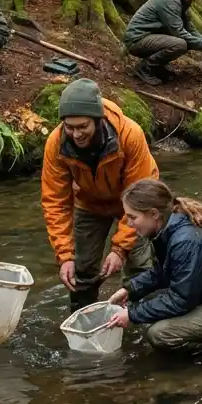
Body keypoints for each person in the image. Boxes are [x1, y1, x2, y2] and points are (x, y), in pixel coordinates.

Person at [104, 179, 202, 354]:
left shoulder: (185, 240)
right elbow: (162, 272)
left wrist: (132, 314)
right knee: (151, 306)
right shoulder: (167, 229)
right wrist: (130, 289)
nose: (129, 224)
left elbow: (180, 299)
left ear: (154, 214)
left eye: (133, 217)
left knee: (159, 334)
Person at [41, 78, 160, 310]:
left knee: (139, 265)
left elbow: (142, 196)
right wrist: (64, 255)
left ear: (98, 119)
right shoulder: (55, 143)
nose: (76, 134)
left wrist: (119, 249)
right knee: (82, 269)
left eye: (83, 126)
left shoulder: (130, 134)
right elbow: (55, 201)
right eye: (70, 127)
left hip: (136, 202)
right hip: (89, 203)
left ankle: (140, 318)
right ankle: (82, 318)